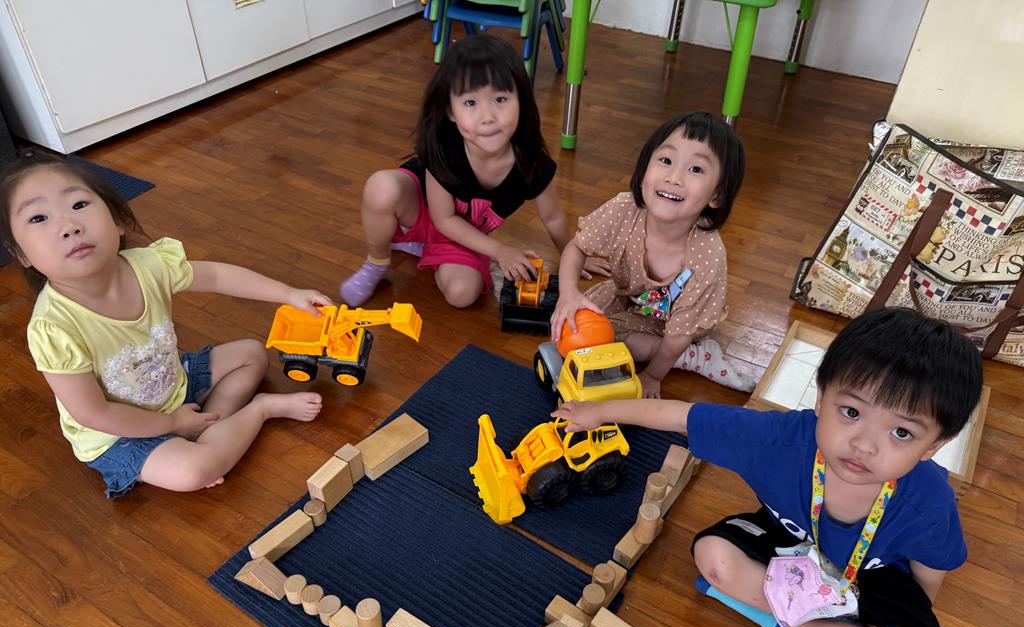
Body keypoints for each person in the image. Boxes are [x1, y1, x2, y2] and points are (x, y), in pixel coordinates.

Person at [553, 308, 983, 627]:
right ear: (821, 397)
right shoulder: (777, 439)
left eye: (902, 433)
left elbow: (930, 570)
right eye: (851, 412)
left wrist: (910, 619)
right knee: (713, 556)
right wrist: (600, 412)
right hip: (789, 544)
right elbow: (684, 416)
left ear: (935, 445)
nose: (864, 445)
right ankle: (818, 626)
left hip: (874, 579)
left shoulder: (930, 499)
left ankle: (788, 618)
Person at [0, 150, 331, 498]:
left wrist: (288, 294)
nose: (69, 226)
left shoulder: (149, 265)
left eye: (79, 205)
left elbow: (217, 276)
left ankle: (209, 430)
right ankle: (259, 411)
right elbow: (95, 414)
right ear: (21, 254)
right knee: (191, 472)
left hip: (172, 385)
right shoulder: (53, 328)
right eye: (38, 218)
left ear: (118, 220)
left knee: (252, 354)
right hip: (119, 433)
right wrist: (172, 423)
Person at [340, 34, 581, 309]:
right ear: (451, 112)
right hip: (424, 213)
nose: (487, 117)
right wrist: (501, 251)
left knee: (462, 295)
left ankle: (428, 250)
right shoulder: (444, 146)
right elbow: (443, 219)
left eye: (500, 99)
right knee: (381, 187)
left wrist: (573, 257)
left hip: (462, 234)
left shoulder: (531, 162)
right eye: (470, 103)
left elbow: (552, 217)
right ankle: (377, 262)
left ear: (522, 101)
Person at [550, 111, 751, 398]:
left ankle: (695, 357)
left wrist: (652, 375)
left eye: (696, 169)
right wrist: (568, 293)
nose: (674, 177)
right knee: (573, 318)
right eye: (666, 161)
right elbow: (577, 247)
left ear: (717, 195)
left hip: (678, 325)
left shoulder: (707, 254)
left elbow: (678, 334)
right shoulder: (624, 208)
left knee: (613, 343)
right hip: (630, 297)